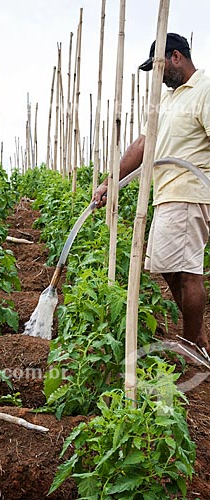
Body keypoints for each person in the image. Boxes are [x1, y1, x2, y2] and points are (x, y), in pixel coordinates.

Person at [93, 33, 210, 356]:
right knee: (168, 267)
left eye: (158, 69)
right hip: (168, 193)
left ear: (175, 57)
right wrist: (110, 181)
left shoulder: (204, 90)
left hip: (191, 192)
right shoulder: (170, 99)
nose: (157, 78)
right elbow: (144, 145)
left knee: (187, 271)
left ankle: (191, 346)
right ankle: (198, 337)